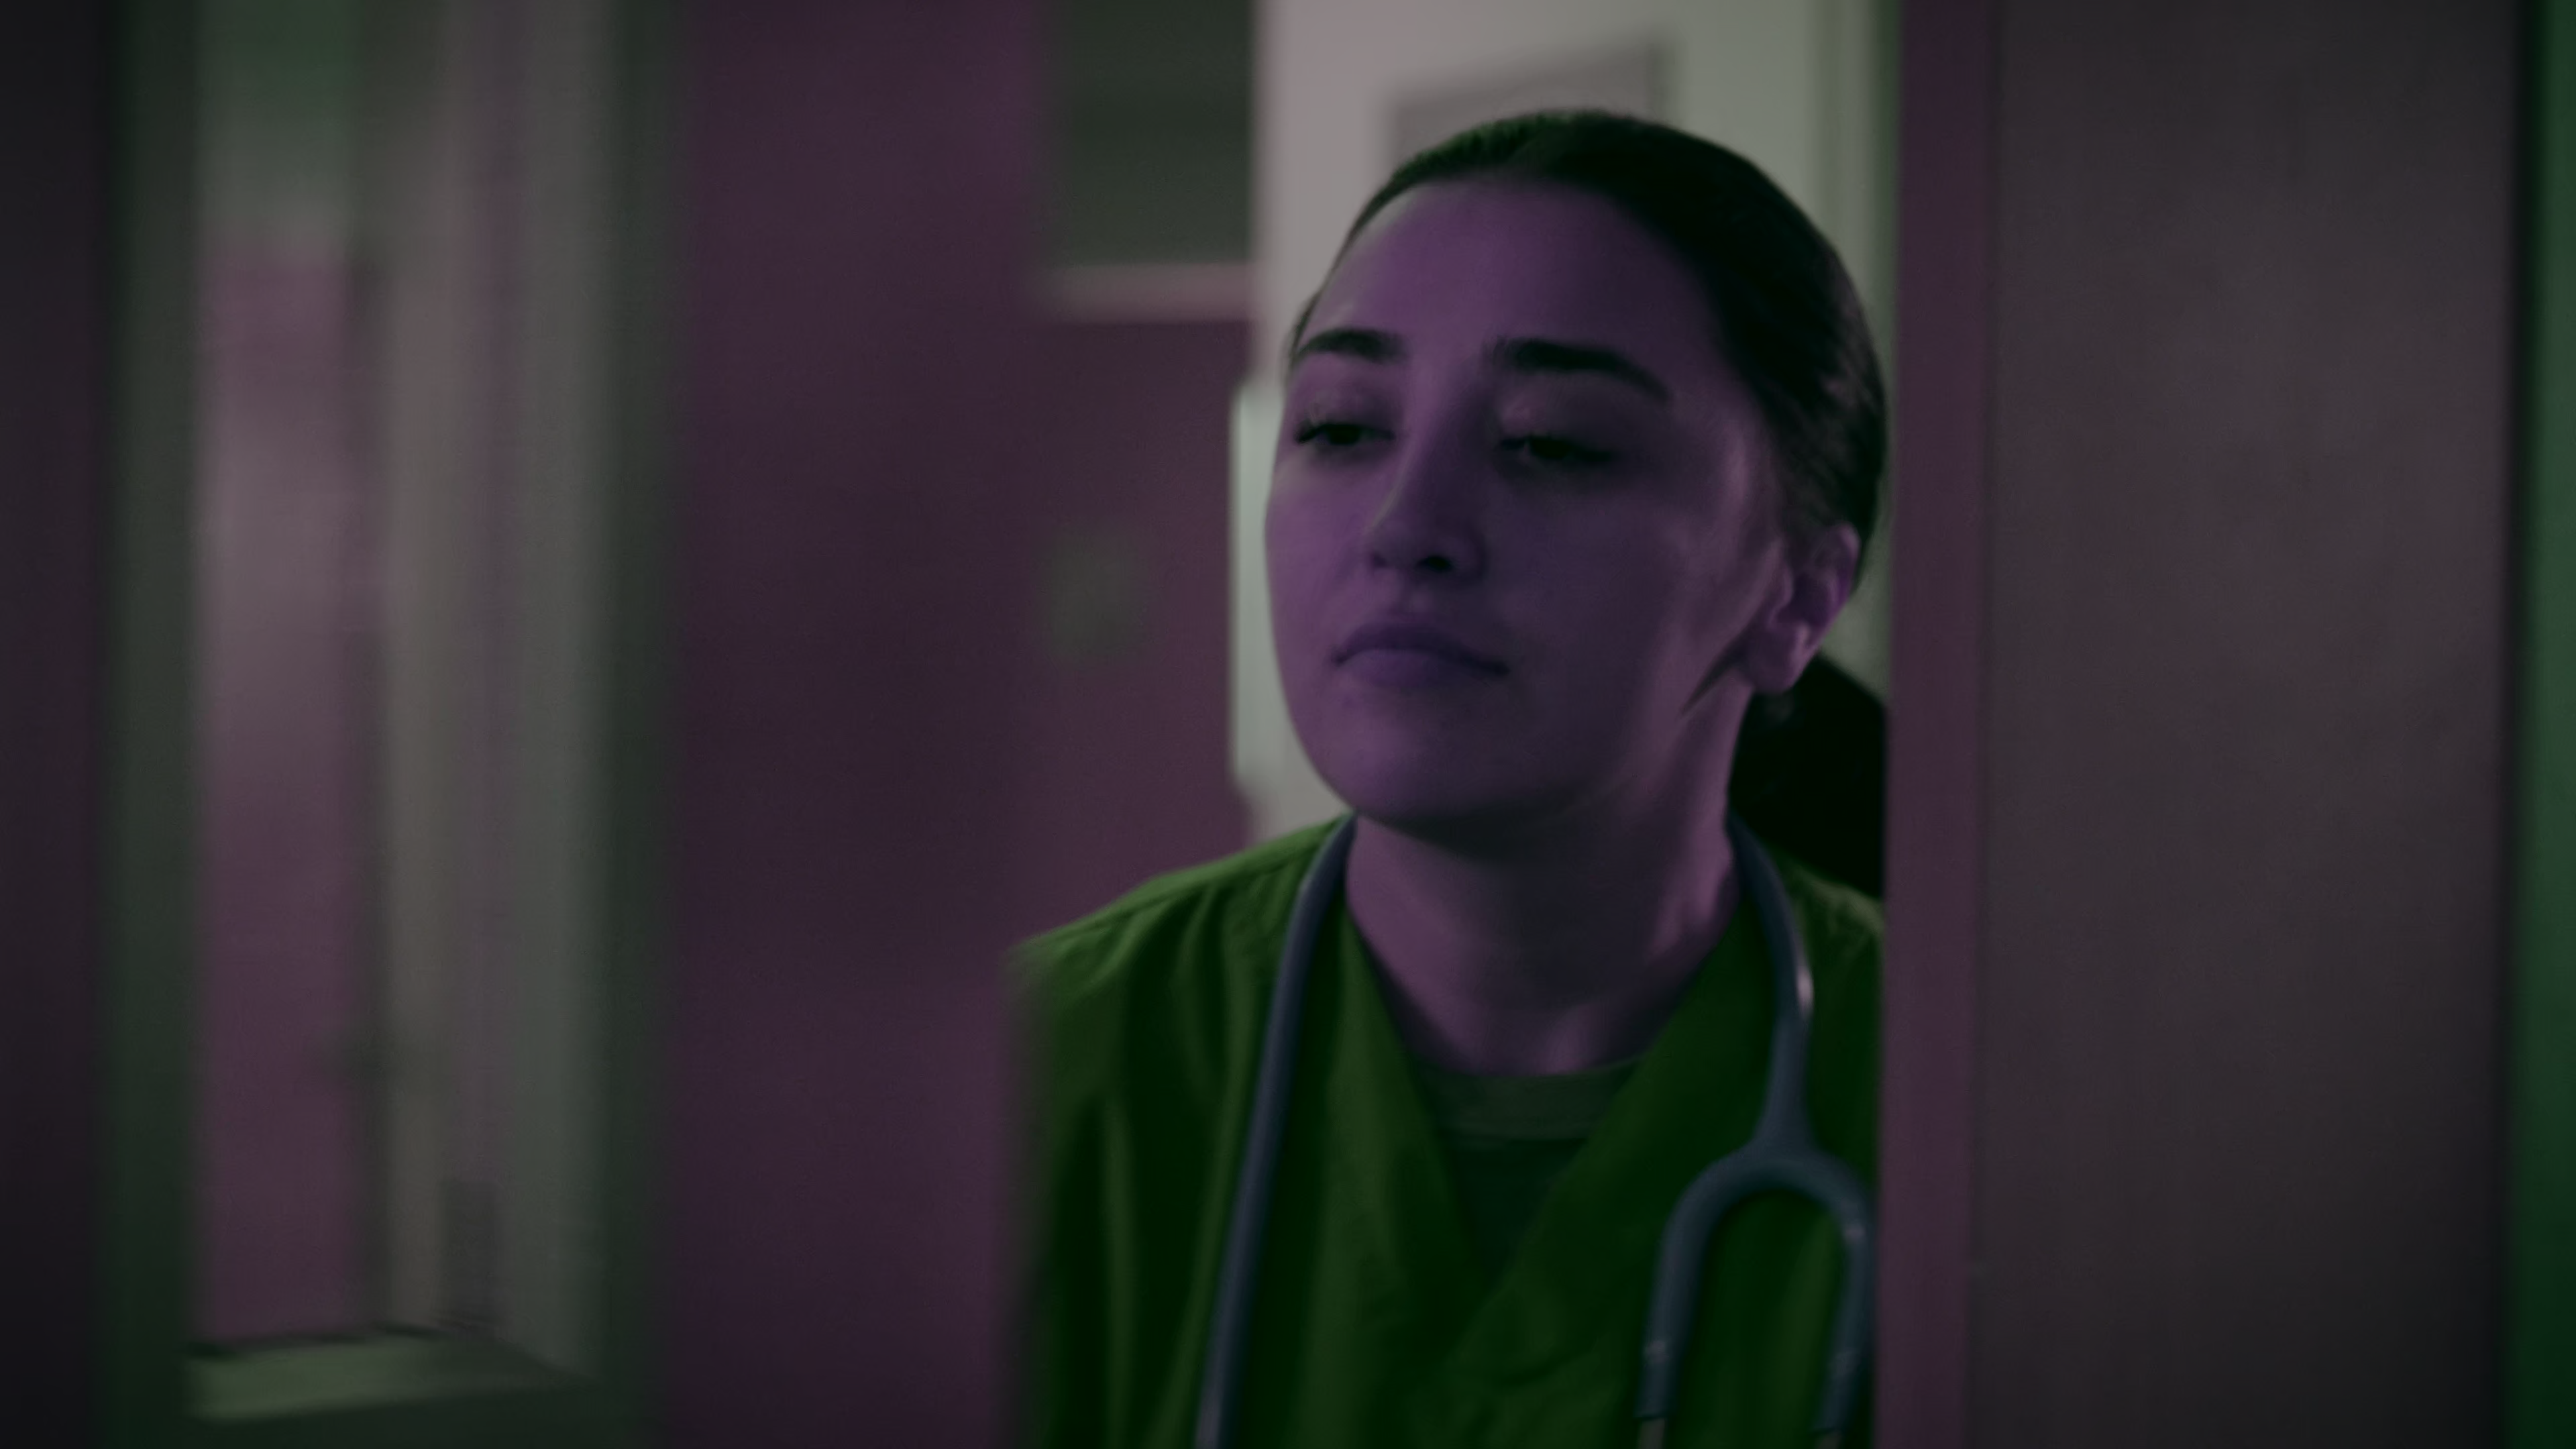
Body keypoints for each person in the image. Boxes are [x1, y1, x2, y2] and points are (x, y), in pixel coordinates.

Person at [1012, 109, 1886, 1448]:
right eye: (1341, 427)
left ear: (1797, 597)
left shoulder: (1967, 1109)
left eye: (1553, 443)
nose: (1407, 527)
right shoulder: (1037, 1077)